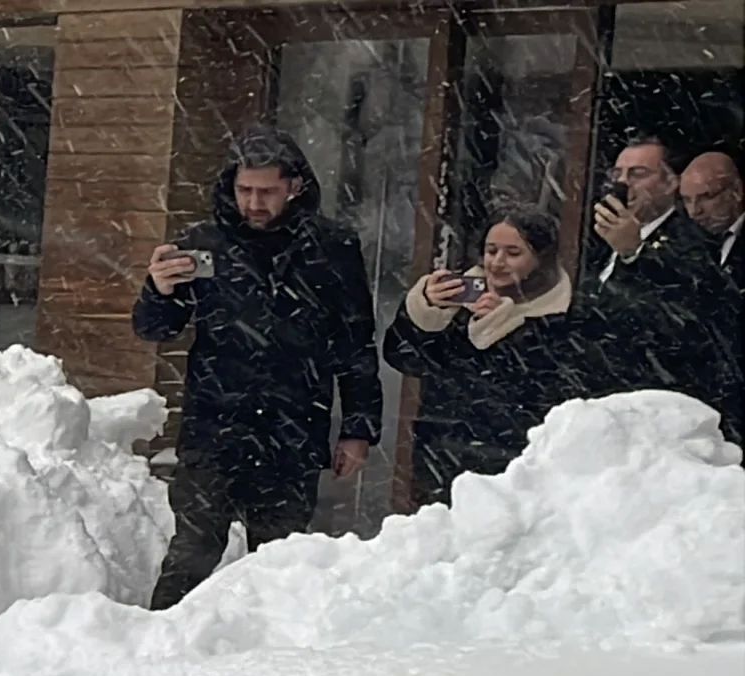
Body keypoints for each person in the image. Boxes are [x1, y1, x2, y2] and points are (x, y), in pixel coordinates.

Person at [134, 127, 383, 610]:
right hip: (215, 428)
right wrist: (158, 290)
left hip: (293, 428)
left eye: (267, 191)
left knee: (279, 564)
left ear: (294, 186)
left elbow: (355, 343)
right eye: (244, 190)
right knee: (192, 554)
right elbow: (156, 329)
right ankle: (157, 647)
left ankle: (265, 665)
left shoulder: (331, 246)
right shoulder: (203, 243)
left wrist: (359, 429)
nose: (254, 202)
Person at [383, 209, 609, 507]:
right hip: (441, 458)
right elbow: (405, 358)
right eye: (491, 251)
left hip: (516, 469)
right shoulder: (462, 299)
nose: (497, 263)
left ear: (540, 258)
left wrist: (506, 328)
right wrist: (423, 310)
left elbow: (549, 390)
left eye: (513, 253)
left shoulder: (566, 315)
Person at [589, 135, 744, 442]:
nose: (622, 184)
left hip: (668, 398)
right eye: (617, 174)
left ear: (672, 182)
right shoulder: (604, 232)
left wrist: (636, 254)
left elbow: (691, 307)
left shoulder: (693, 235)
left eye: (638, 174)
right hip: (607, 389)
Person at [679, 149, 744, 293]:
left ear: (737, 191)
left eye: (707, 196)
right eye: (687, 200)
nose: (694, 211)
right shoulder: (685, 241)